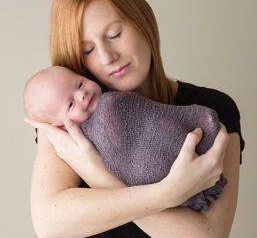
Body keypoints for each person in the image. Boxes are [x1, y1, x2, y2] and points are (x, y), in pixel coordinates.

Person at [24, 0, 245, 237]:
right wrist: (168, 193)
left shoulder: (214, 108)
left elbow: (208, 235)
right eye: (88, 50)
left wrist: (97, 175)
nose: (107, 58)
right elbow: (49, 223)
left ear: (143, 18)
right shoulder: (69, 118)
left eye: (115, 34)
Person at [23, 65, 228, 213]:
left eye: (80, 83)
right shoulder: (63, 144)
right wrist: (169, 192)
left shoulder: (113, 103)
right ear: (60, 126)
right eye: (70, 104)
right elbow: (49, 226)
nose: (82, 94)